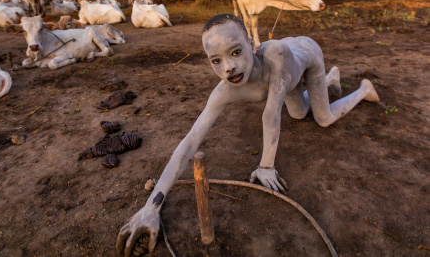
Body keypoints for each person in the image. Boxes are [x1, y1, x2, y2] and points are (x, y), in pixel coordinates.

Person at [116, 14, 379, 256]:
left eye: (236, 52)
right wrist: (152, 206)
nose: (228, 67)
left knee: (323, 119)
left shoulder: (275, 54)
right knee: (298, 113)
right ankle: (329, 82)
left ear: (252, 44)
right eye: (216, 61)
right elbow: (190, 141)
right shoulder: (224, 91)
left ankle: (361, 89)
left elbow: (271, 113)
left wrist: (266, 166)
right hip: (287, 77)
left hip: (304, 57)